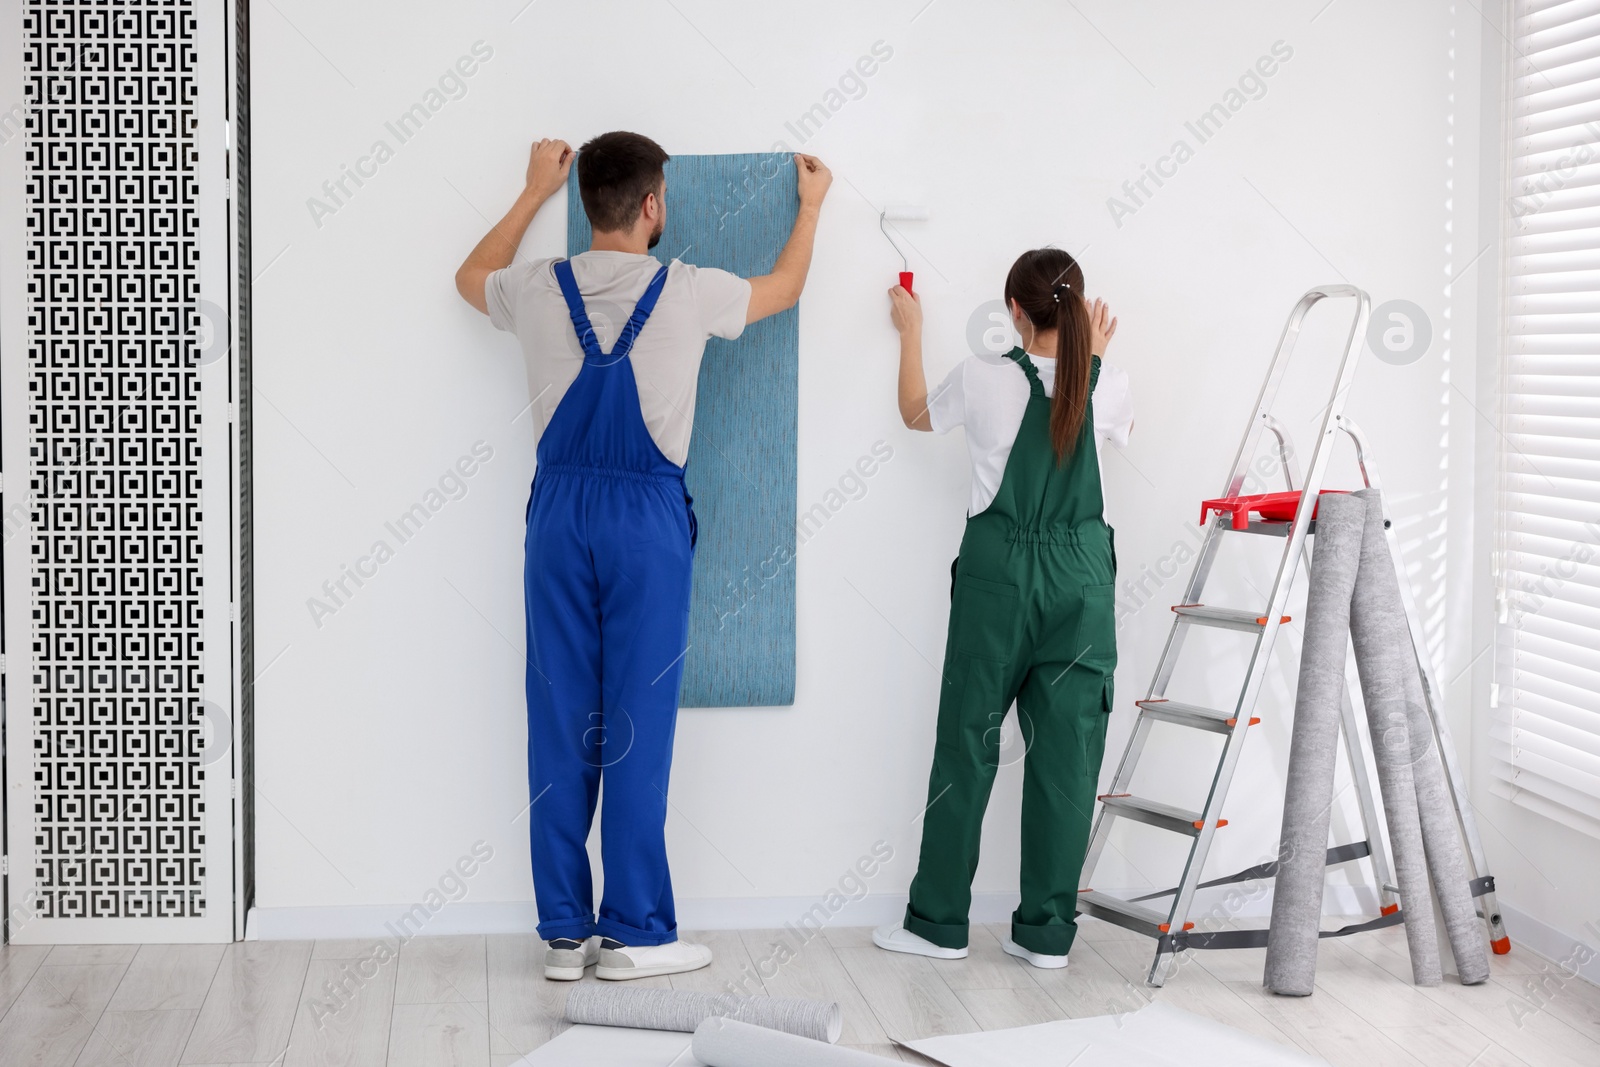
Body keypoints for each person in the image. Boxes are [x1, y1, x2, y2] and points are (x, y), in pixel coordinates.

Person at [455, 132, 831, 981]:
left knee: (558, 713)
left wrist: (527, 192)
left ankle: (563, 932)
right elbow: (788, 287)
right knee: (635, 722)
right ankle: (636, 934)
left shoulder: (536, 289)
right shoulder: (692, 293)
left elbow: (467, 277)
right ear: (654, 204)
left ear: (587, 201)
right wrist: (809, 208)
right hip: (646, 523)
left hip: (557, 518)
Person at [873, 248, 1132, 969]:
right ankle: (1046, 933)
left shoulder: (984, 377)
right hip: (1081, 583)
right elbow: (1100, 418)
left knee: (968, 742)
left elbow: (916, 414)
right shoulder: (1108, 383)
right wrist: (1097, 359)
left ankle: (937, 924)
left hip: (999, 580)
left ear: (1016, 311)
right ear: (1078, 309)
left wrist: (911, 329)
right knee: (1068, 756)